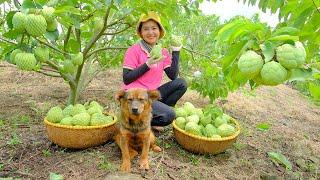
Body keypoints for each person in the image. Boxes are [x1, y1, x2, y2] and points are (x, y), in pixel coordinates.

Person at [121, 11, 187, 130]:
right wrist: (147, 64)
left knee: (181, 83)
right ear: (141, 32)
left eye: (154, 28)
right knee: (169, 115)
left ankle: (151, 116)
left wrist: (176, 51)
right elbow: (126, 79)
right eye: (146, 29)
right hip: (135, 96)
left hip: (151, 94)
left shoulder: (163, 52)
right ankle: (134, 120)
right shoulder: (134, 50)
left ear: (159, 31)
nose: (150, 32)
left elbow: (173, 76)